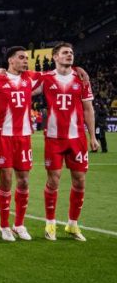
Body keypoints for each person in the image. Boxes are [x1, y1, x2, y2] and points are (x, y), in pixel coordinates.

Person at [39, 42, 99, 241]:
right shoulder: (45, 78)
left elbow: (88, 109)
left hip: (77, 139)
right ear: (55, 57)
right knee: (53, 180)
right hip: (54, 138)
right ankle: (50, 223)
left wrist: (93, 136)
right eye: (65, 52)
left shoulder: (81, 79)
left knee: (80, 181)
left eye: (71, 52)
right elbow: (21, 85)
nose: (69, 55)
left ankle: (72, 225)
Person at [0, 47, 41, 241]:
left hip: (24, 137)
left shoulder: (29, 78)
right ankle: (4, 226)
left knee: (23, 181)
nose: (25, 61)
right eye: (21, 57)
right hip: (3, 136)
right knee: (6, 179)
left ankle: (19, 224)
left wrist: (78, 70)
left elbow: (55, 74)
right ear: (10, 60)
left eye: (26, 58)